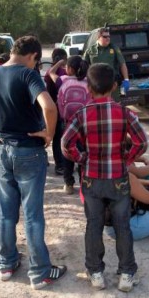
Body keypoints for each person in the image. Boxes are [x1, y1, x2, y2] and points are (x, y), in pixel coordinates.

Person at [0, 35, 67, 290]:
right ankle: (40, 272)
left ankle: (6, 264)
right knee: (32, 215)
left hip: (0, 150)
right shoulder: (29, 75)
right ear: (33, 57)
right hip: (28, 151)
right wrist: (49, 134)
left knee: (6, 212)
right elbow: (49, 107)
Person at [62, 63, 148, 293]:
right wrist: (126, 159)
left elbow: (65, 143)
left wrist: (82, 159)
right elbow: (142, 142)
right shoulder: (125, 113)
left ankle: (96, 273)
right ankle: (127, 274)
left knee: (94, 225)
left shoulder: (81, 114)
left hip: (91, 178)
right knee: (122, 226)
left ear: (88, 88)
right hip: (118, 178)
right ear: (114, 86)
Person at [49, 55, 90, 194]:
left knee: (67, 152)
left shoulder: (63, 80)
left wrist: (59, 62)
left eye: (66, 67)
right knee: (84, 152)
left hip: (67, 124)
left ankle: (68, 184)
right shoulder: (88, 82)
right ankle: (84, 183)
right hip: (85, 124)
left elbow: (50, 73)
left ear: (70, 69)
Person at [82, 28, 130, 102]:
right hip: (96, 83)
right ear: (98, 37)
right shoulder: (90, 50)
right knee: (98, 104)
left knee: (115, 103)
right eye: (105, 37)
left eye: (109, 37)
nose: (108, 38)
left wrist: (126, 79)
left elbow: (122, 64)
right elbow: (84, 65)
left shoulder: (114, 48)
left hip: (112, 83)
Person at [44, 48, 68, 176]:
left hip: (53, 108)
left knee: (57, 138)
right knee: (62, 137)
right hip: (62, 110)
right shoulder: (63, 73)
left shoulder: (49, 72)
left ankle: (60, 165)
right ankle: (62, 164)